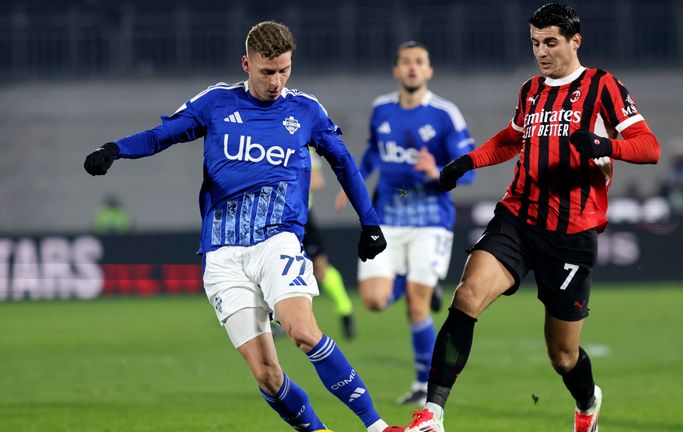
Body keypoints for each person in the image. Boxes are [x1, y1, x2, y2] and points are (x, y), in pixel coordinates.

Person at [84, 21, 403, 432]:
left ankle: (377, 426)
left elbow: (343, 162)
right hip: (222, 252)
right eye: (267, 72)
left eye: (284, 70)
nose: (277, 81)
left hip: (278, 236)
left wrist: (369, 223)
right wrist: (116, 150)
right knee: (268, 377)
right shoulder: (216, 103)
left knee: (303, 331)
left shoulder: (305, 110)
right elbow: (163, 135)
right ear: (246, 64)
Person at [404, 4, 660, 432]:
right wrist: (467, 161)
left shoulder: (603, 87)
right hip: (518, 217)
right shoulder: (532, 90)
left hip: (571, 235)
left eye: (551, 42)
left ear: (575, 41)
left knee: (562, 356)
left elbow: (649, 147)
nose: (541, 52)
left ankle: (587, 401)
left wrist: (605, 145)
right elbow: (512, 138)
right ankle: (433, 414)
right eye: (535, 43)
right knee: (467, 296)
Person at [336, 41, 475, 406]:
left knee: (416, 306)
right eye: (406, 62)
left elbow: (469, 171)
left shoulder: (446, 114)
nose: (413, 68)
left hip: (430, 221)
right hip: (387, 219)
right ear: (396, 70)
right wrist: (354, 182)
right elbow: (371, 153)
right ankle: (418, 283)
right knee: (374, 301)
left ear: (429, 71)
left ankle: (421, 386)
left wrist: (439, 172)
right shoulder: (381, 109)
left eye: (419, 62)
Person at [306, 148, 357, 340]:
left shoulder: (302, 146)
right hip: (275, 218)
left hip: (302, 217)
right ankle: (271, 321)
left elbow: (318, 180)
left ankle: (345, 309)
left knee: (320, 268)